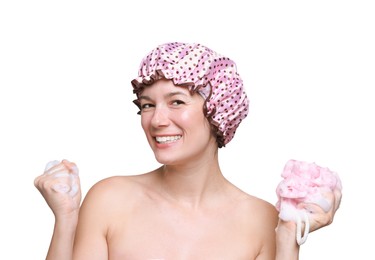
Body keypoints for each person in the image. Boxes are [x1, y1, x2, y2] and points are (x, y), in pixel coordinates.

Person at [34, 42, 342, 259]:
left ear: (217, 111)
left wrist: (289, 239)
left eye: (177, 102)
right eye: (147, 105)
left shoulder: (261, 220)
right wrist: (66, 219)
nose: (156, 120)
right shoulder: (111, 199)